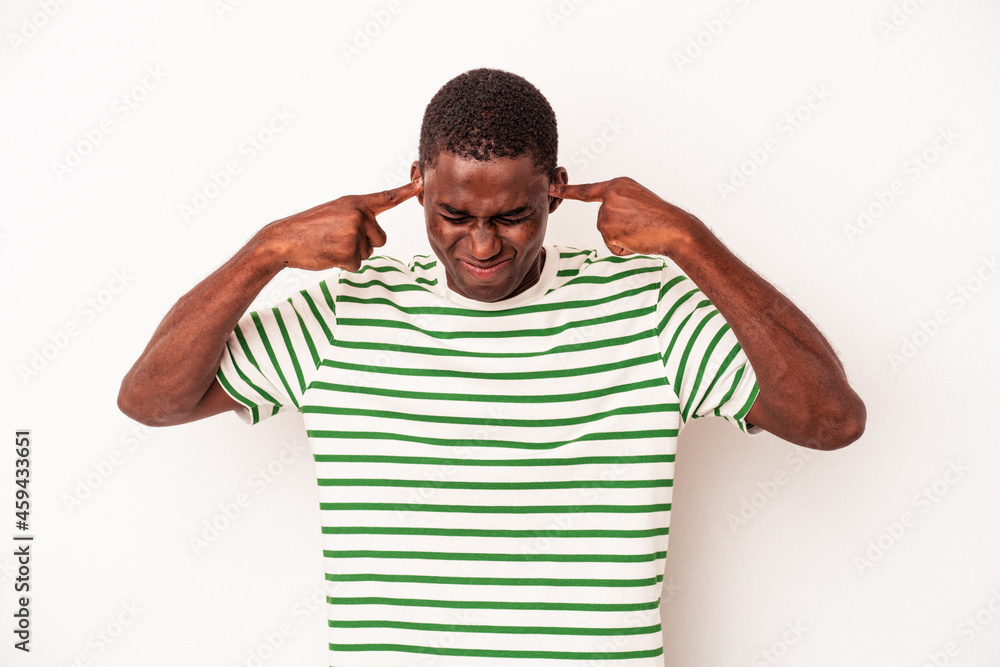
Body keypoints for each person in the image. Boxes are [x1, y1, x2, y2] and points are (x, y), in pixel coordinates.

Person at [119, 68, 864, 664]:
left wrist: (692, 244)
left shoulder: (647, 309)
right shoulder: (346, 313)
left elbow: (830, 420)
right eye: (455, 216)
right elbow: (152, 399)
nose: (481, 247)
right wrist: (266, 250)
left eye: (512, 216)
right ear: (418, 183)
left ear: (555, 189)